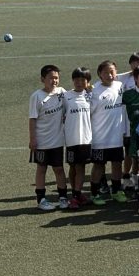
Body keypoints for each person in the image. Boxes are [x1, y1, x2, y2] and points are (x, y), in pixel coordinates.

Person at [89, 60, 128, 205]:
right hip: (100, 137)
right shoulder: (94, 90)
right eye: (105, 72)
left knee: (117, 164)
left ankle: (117, 191)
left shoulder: (120, 86)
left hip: (116, 136)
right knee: (99, 165)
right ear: (99, 74)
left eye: (112, 71)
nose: (109, 75)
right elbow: (88, 113)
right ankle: (95, 193)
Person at [29, 64, 67, 211]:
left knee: (59, 169)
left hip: (57, 141)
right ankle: (41, 199)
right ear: (42, 79)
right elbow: (32, 119)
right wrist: (33, 139)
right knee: (41, 169)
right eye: (51, 78)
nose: (54, 81)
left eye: (56, 78)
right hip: (42, 141)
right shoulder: (37, 96)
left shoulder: (62, 93)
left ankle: (63, 197)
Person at [63, 67, 93, 209]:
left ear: (88, 82)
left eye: (83, 80)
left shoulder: (90, 96)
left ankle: (76, 196)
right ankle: (76, 193)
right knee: (73, 166)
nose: (79, 83)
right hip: (71, 138)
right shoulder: (66, 96)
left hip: (85, 138)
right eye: (77, 80)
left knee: (80, 167)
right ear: (73, 80)